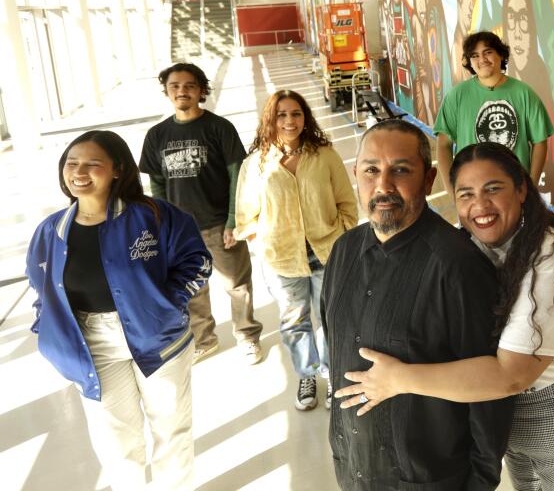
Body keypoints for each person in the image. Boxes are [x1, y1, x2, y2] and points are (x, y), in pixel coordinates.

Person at [335, 141, 554, 491]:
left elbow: (511, 375)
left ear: (521, 189)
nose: (480, 206)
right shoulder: (472, 246)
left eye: (493, 189)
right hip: (511, 409)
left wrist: (398, 380)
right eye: (466, 194)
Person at [321, 119, 513, 490]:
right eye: (371, 170)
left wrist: (481, 481)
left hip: (429, 478)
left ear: (429, 180)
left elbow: (490, 396)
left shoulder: (458, 266)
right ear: (354, 175)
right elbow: (334, 346)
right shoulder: (343, 252)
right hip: (355, 469)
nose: (383, 185)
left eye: (401, 170)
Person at [26, 130, 211, 490]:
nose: (79, 171)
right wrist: (45, 326)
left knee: (171, 431)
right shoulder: (51, 231)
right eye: (72, 163)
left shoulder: (155, 216)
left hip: (160, 339)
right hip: (92, 343)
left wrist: (165, 305)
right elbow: (40, 286)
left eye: (93, 163)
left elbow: (197, 261)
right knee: (115, 441)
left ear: (117, 169)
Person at [234, 90, 356, 411]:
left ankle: (331, 376)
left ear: (306, 118)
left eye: (296, 114)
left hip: (326, 252)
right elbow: (246, 215)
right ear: (270, 120)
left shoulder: (325, 156)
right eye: (282, 115)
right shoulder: (256, 164)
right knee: (294, 321)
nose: (290, 121)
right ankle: (307, 374)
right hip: (281, 260)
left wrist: (341, 235)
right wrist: (263, 243)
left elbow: (346, 201)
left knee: (329, 318)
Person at [139, 62, 263, 364]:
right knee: (192, 288)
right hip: (181, 230)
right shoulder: (157, 134)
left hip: (220, 223)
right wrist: (164, 224)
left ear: (201, 91)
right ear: (167, 91)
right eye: (175, 86)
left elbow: (238, 176)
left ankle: (247, 336)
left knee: (237, 285)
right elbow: (156, 183)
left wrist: (234, 221)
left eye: (189, 86)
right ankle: (204, 339)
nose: (182, 91)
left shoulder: (219, 128)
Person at [434, 30, 554, 183]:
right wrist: (452, 189)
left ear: (501, 55)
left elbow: (540, 142)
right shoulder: (456, 96)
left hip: (514, 187)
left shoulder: (525, 94)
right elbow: (444, 144)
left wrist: (532, 184)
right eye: (475, 56)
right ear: (469, 61)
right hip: (472, 186)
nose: (482, 59)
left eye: (488, 52)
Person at [501, 0, 554, 125]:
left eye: (523, 17)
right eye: (511, 17)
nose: (517, 32)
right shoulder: (498, 82)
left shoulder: (541, 85)